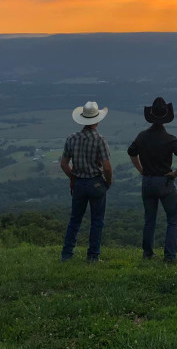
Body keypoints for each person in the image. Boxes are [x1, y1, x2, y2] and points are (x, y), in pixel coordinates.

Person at [128, 97, 177, 263]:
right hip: (164, 182)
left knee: (150, 219)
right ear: (166, 117)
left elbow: (132, 152)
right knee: (173, 219)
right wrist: (175, 173)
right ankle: (170, 256)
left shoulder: (142, 136)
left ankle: (147, 253)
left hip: (147, 181)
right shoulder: (170, 139)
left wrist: (141, 170)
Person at [60, 101, 113, 263]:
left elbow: (64, 164)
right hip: (96, 183)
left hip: (79, 184)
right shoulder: (100, 140)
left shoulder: (71, 138)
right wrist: (107, 183)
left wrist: (73, 178)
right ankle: (93, 256)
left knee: (75, 220)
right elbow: (107, 167)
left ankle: (67, 255)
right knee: (97, 221)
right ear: (96, 120)